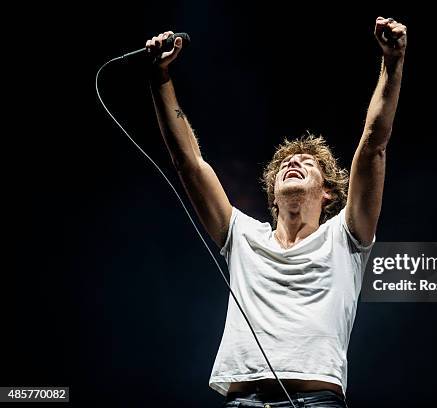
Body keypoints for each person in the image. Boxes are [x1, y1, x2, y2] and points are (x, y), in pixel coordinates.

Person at [146, 16, 406, 408]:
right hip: (242, 401)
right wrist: (160, 78)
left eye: (307, 162)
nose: (293, 162)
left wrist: (392, 62)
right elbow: (190, 163)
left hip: (316, 401)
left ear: (329, 192)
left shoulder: (346, 236)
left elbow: (373, 145)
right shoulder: (243, 235)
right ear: (272, 191)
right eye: (286, 162)